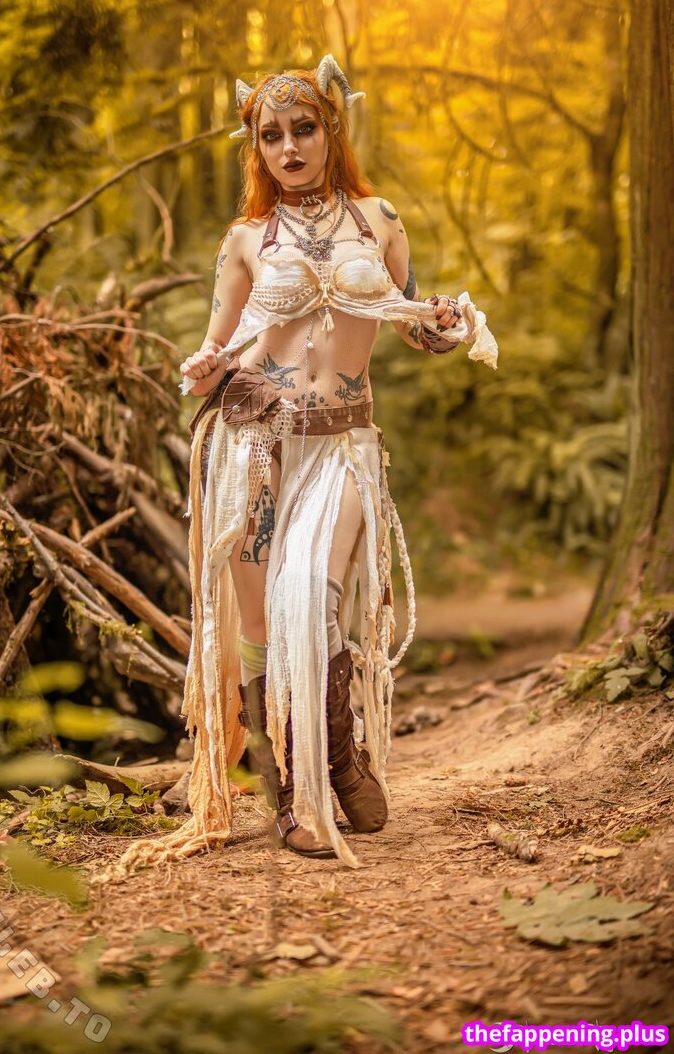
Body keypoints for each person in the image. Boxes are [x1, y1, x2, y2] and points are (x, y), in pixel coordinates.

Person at [115, 54, 498, 876]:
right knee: (259, 627)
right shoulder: (245, 240)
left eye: (304, 128)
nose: (289, 146)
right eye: (272, 134)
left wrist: (447, 324)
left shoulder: (379, 220)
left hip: (342, 445)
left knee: (311, 601)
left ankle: (340, 758)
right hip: (256, 446)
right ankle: (289, 790)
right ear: (256, 146)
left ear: (331, 129)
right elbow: (217, 348)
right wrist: (203, 369)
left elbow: (413, 325)